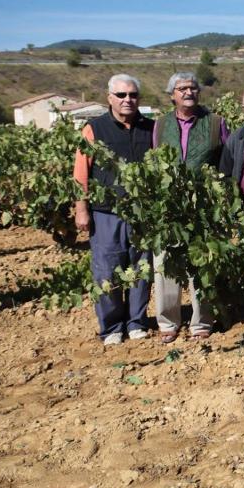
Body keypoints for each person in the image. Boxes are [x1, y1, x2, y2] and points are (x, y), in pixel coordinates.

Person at [73, 74, 154, 346]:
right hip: (106, 213)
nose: (127, 100)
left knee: (140, 269)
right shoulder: (94, 129)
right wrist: (81, 208)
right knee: (107, 270)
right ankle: (111, 327)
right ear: (110, 98)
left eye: (132, 95)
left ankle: (136, 322)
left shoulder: (150, 128)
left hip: (141, 213)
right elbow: (80, 172)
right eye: (121, 95)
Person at [152, 71, 228, 343]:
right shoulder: (160, 125)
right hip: (169, 206)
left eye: (193, 88)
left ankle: (201, 321)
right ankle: (168, 321)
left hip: (205, 205)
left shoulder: (215, 123)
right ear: (172, 94)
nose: (188, 92)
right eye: (182, 88)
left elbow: (226, 161)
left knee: (202, 262)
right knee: (166, 264)